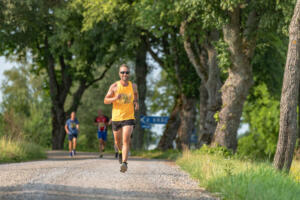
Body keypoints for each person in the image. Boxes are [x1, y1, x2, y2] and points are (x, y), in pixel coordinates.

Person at [104, 64, 139, 173]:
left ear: (129, 74)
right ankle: (119, 151)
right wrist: (115, 97)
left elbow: (136, 95)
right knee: (117, 141)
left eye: (127, 72)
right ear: (119, 74)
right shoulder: (114, 86)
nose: (125, 74)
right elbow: (105, 100)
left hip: (129, 117)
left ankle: (124, 163)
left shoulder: (133, 86)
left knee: (126, 139)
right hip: (116, 117)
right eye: (123, 72)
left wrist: (136, 102)